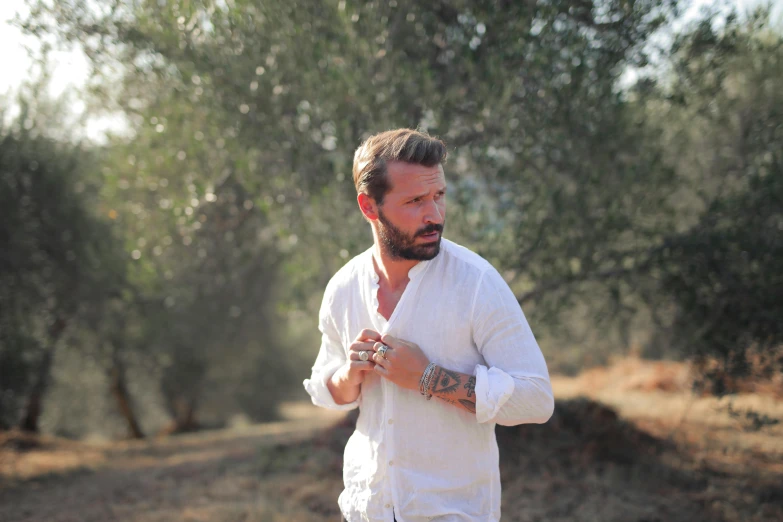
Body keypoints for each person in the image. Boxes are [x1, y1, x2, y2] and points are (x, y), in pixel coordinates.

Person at [303, 128, 554, 522]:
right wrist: (350, 373)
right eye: (415, 201)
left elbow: (537, 400)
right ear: (369, 207)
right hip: (366, 510)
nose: (435, 216)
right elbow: (325, 388)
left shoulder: (476, 283)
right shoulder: (343, 287)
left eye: (439, 196)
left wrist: (429, 377)